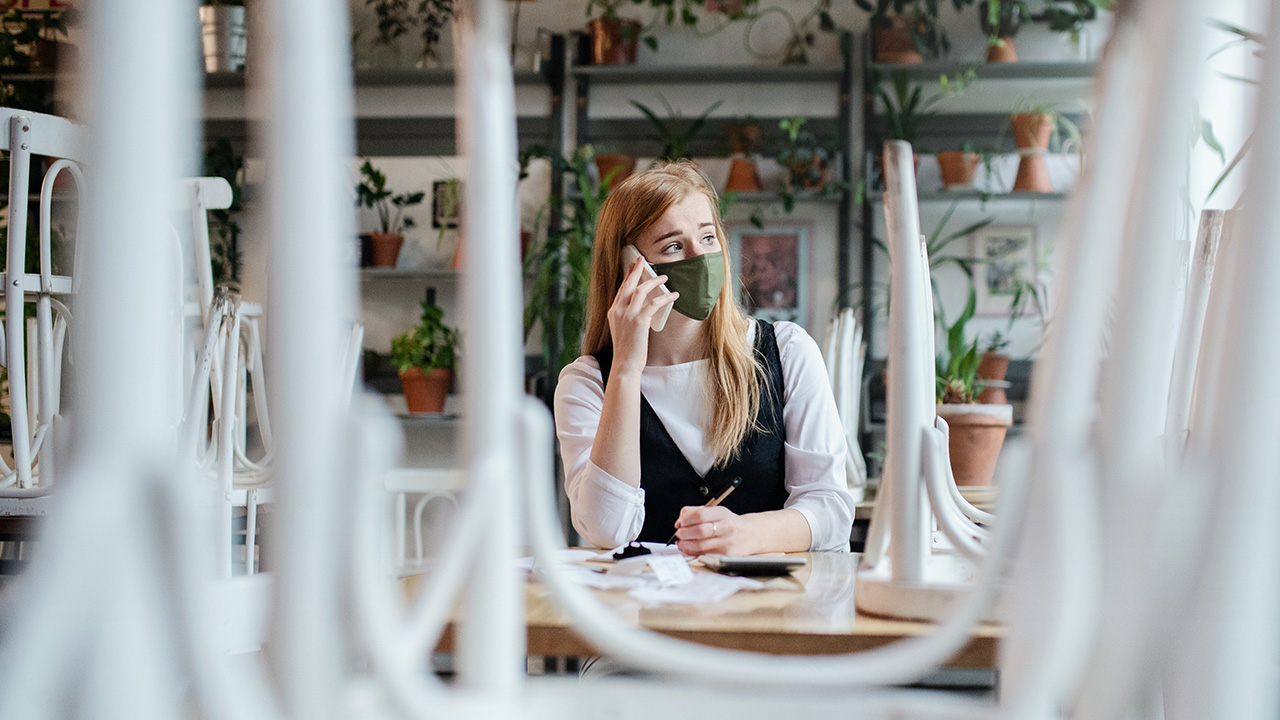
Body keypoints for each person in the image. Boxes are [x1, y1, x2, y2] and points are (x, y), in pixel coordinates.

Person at [553, 161, 854, 555]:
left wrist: (748, 534)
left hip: (771, 609)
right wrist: (626, 369)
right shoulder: (587, 383)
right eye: (674, 246)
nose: (702, 257)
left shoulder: (787, 351)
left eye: (709, 238)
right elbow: (607, 530)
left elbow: (831, 509)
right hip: (649, 610)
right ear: (631, 267)